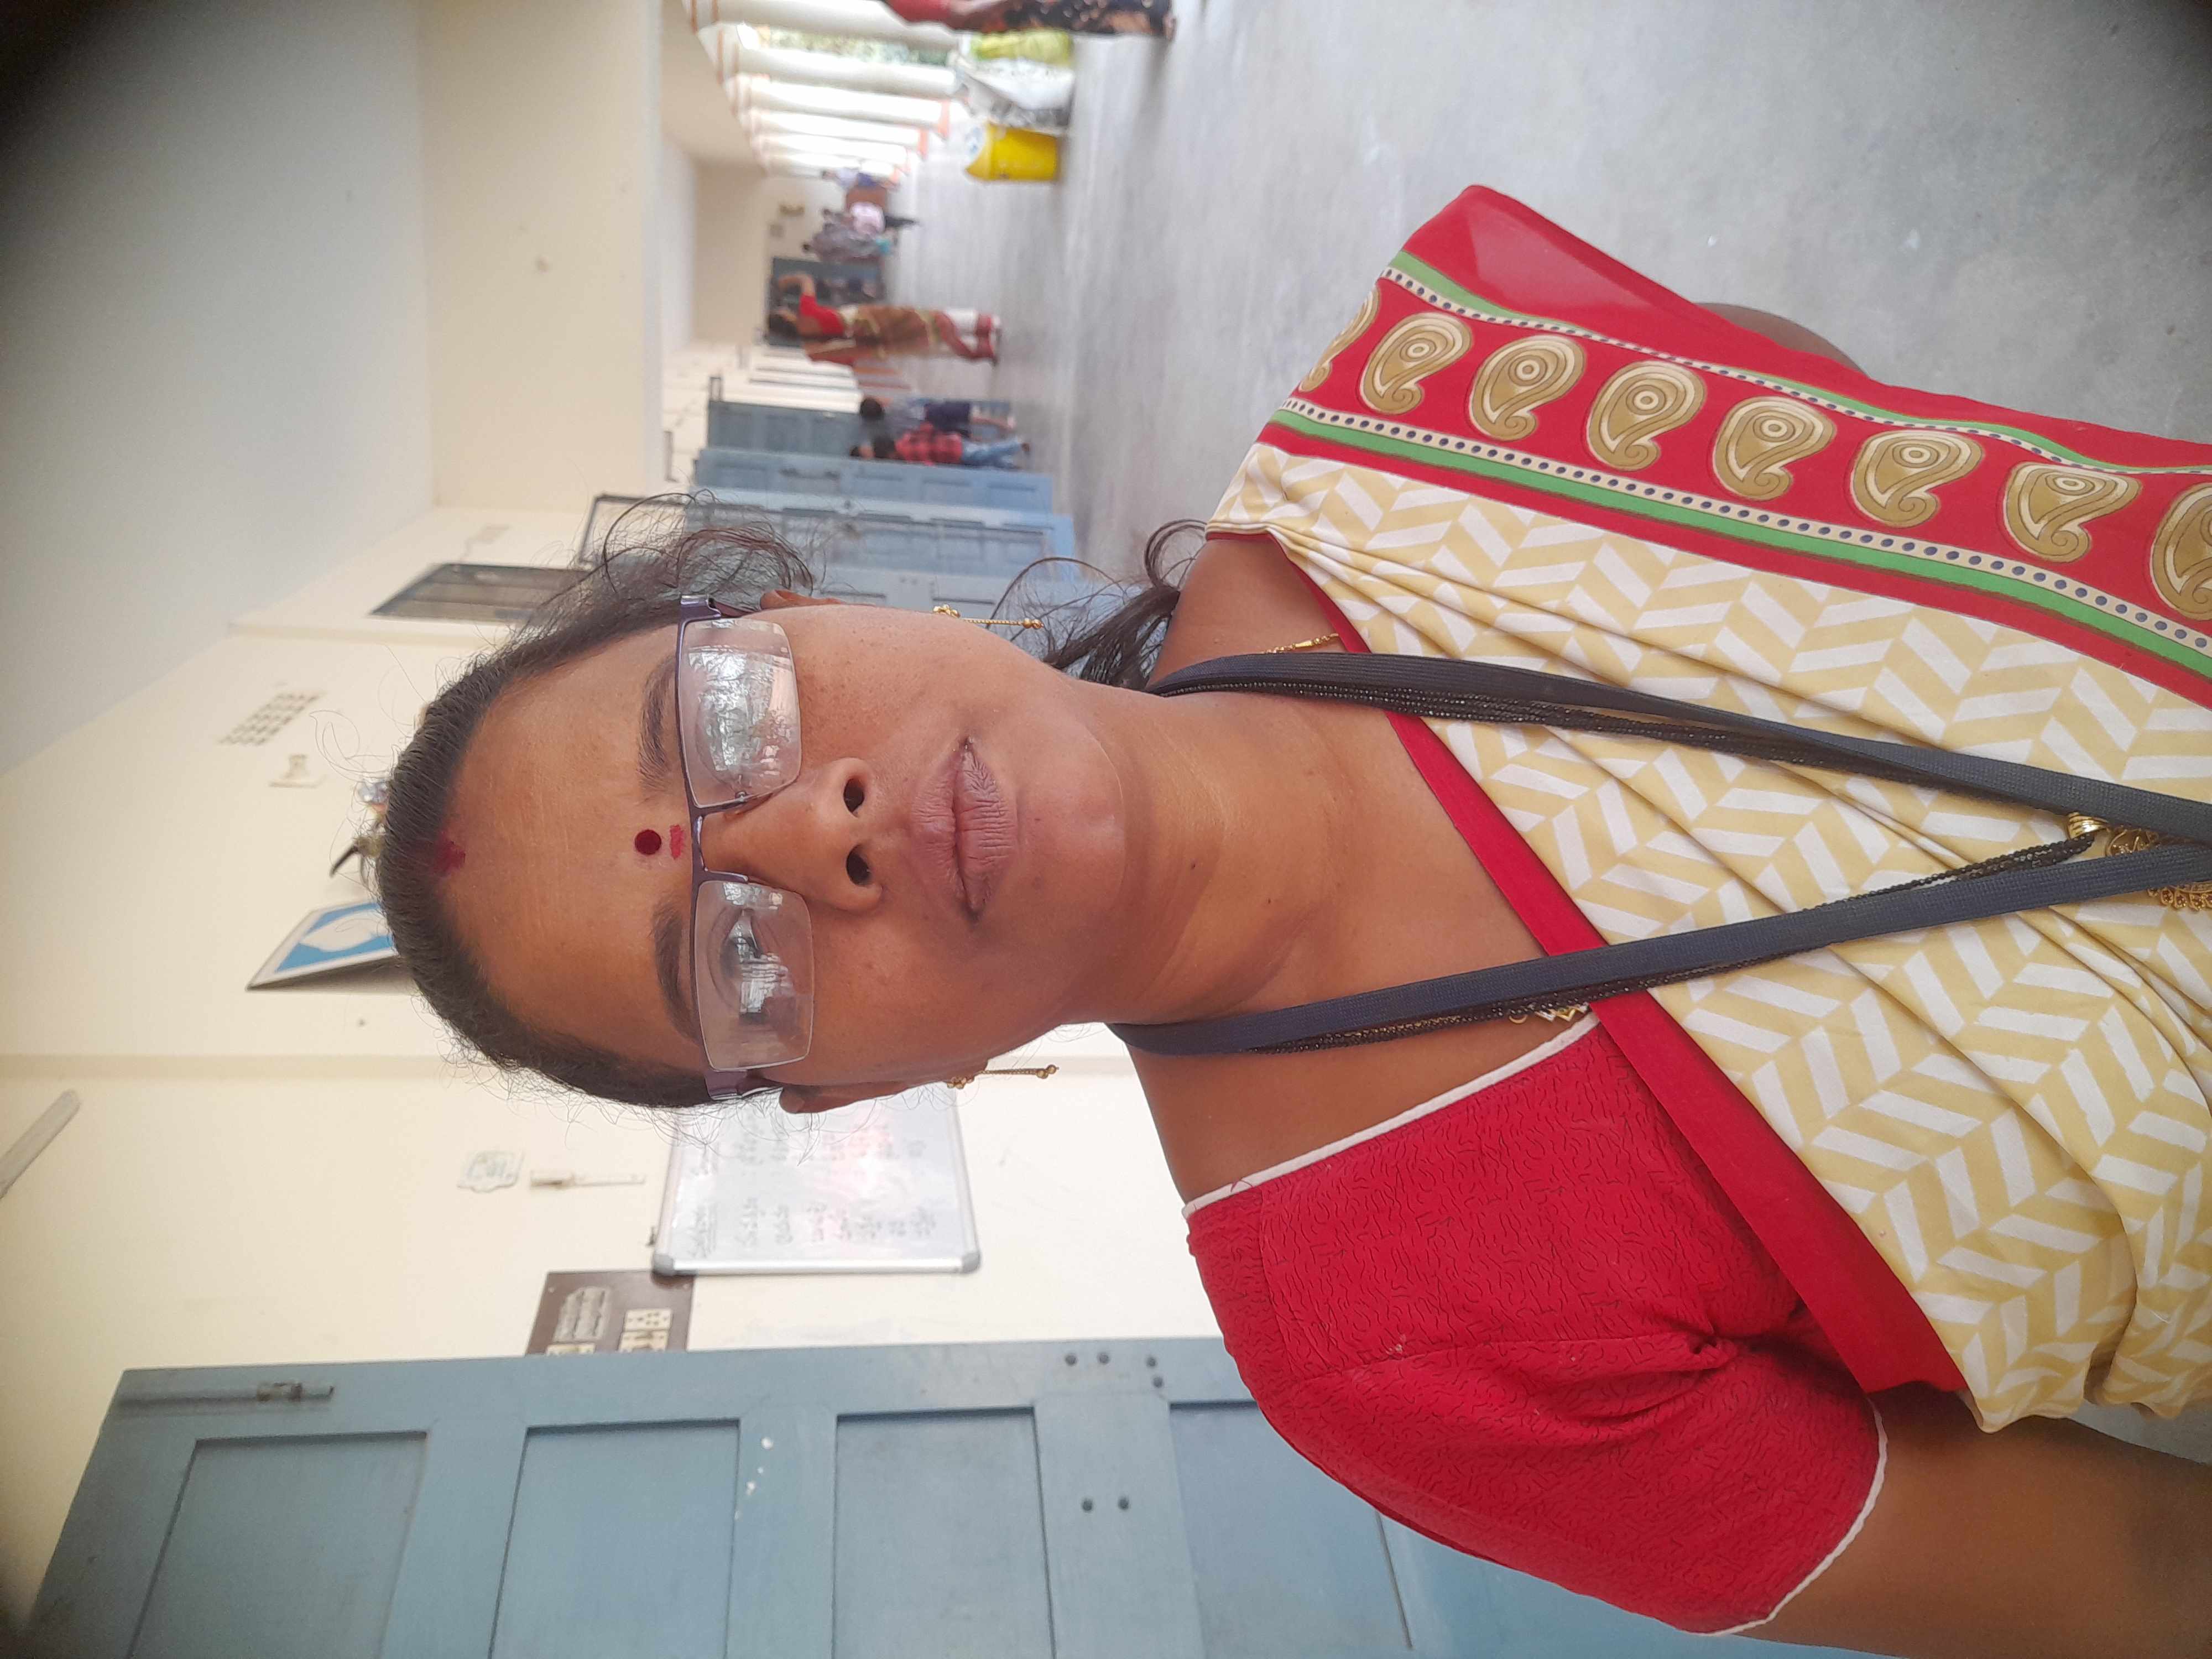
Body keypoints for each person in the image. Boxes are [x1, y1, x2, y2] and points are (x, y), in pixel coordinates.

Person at [372, 188, 2212, 1657]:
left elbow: (1824, 414)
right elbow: (2138, 1571)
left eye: (722, 718)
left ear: (801, 606)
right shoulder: (1393, 1348)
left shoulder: (1422, 439)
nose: (810, 833)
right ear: (845, 1092)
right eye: (731, 959)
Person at [768, 273, 995, 364]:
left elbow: (847, 360)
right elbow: (806, 280)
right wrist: (786, 282)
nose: (785, 310)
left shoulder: (811, 348)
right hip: (869, 320)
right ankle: (981, 324)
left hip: (869, 343)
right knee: (922, 319)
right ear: (785, 319)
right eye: (782, 312)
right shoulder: (806, 312)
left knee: (924, 344)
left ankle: (980, 348)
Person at [882, 0, 1173, 35]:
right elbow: (962, 11)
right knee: (1085, 13)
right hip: (1009, 9)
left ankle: (1154, 18)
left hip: (1008, 12)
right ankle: (1155, 20)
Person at [858, 395, 1016, 445]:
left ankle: (995, 443)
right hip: (930, 412)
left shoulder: (890, 429)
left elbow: (904, 436)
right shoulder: (895, 405)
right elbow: (915, 401)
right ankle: (1002, 424)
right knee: (969, 418)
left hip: (927, 431)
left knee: (962, 436)